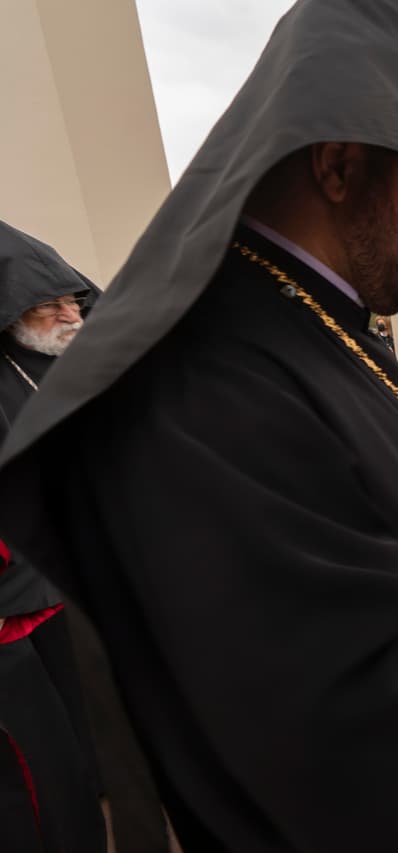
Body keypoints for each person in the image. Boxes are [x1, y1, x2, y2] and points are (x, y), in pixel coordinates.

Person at [0, 4, 398, 851]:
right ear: (338, 166)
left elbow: (360, 487)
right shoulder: (208, 379)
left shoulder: (303, 311)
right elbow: (369, 692)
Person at [0, 221, 107, 853]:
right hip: (27, 591)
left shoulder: (67, 356)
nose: (72, 315)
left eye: (75, 300)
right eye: (52, 305)